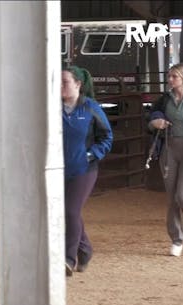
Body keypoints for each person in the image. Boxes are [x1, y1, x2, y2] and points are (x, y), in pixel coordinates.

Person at [149, 63, 183, 257]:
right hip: (169, 149)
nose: (170, 79)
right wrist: (155, 121)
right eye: (170, 76)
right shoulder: (165, 99)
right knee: (171, 198)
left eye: (174, 76)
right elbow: (152, 114)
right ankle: (176, 238)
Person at [62, 66, 113, 276]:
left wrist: (91, 154)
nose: (60, 86)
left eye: (65, 82)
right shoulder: (51, 108)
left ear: (78, 84)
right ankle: (85, 249)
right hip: (58, 169)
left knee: (71, 211)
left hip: (84, 169)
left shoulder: (90, 108)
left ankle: (68, 258)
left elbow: (106, 137)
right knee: (66, 211)